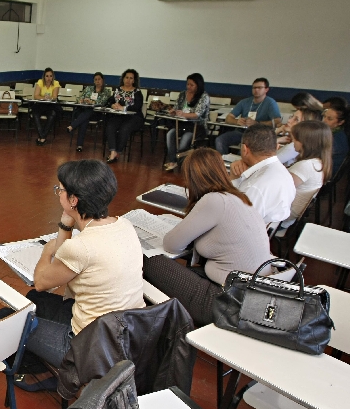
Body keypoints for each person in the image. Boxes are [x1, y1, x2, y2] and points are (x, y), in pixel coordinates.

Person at [26, 160, 145, 368]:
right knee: (35, 300)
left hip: (89, 348)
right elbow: (65, 254)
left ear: (73, 199)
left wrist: (46, 252)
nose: (57, 193)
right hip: (128, 333)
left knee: (9, 318)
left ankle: (59, 372)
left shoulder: (82, 246)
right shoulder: (124, 224)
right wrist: (66, 223)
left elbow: (42, 282)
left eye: (60, 189)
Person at [143, 148, 277, 326]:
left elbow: (171, 245)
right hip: (249, 292)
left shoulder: (214, 200)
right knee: (175, 271)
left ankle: (156, 326)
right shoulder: (239, 197)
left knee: (150, 261)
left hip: (225, 300)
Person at [229, 124, 296, 225]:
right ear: (277, 147)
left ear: (244, 149)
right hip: (265, 230)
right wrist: (235, 178)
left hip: (243, 234)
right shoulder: (282, 171)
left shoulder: (255, 187)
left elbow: (233, 221)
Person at [281, 121, 332, 228]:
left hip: (284, 216)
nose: (292, 141)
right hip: (291, 211)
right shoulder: (317, 162)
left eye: (295, 139)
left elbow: (278, 188)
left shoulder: (306, 166)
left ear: (305, 142)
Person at [215, 78, 281, 154]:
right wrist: (237, 121)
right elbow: (228, 118)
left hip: (259, 135)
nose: (256, 90)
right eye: (254, 88)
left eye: (259, 88)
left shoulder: (270, 103)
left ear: (266, 89)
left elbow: (277, 121)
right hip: (242, 132)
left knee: (244, 149)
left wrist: (257, 123)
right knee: (220, 140)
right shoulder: (244, 102)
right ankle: (222, 162)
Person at [163, 73, 210, 171]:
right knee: (170, 134)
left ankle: (182, 162)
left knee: (186, 138)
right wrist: (173, 112)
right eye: (188, 84)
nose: (189, 87)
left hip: (197, 126)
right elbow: (176, 108)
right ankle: (173, 160)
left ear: (198, 85)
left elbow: (197, 114)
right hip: (181, 124)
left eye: (192, 85)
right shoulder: (182, 94)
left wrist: (183, 114)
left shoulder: (204, 96)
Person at [104, 69, 144, 163]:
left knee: (124, 129)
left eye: (131, 78)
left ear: (134, 80)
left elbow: (137, 106)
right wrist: (112, 105)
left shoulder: (137, 92)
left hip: (134, 117)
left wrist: (123, 108)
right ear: (123, 78)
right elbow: (110, 101)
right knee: (110, 126)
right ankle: (113, 151)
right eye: (126, 77)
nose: (128, 80)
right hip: (119, 116)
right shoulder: (118, 89)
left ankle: (118, 152)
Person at [67, 72, 111, 152]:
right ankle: (79, 146)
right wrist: (82, 100)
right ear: (94, 81)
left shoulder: (106, 91)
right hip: (84, 111)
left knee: (88, 113)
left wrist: (92, 102)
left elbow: (103, 102)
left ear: (103, 80)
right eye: (95, 80)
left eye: (99, 79)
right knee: (85, 118)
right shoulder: (88, 88)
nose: (97, 81)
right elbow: (79, 98)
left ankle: (72, 126)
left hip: (97, 113)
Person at [276, 101, 323, 167]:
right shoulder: (298, 143)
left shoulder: (293, 147)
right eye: (292, 117)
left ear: (305, 127)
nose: (289, 120)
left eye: (296, 120)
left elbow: (264, 164)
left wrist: (275, 138)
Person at [31, 68, 60, 146]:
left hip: (51, 105)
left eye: (50, 76)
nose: (49, 78)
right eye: (47, 76)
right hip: (40, 104)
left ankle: (41, 138)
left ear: (53, 77)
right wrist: (44, 98)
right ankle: (43, 137)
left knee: (52, 115)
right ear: (44, 76)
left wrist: (48, 98)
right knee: (35, 115)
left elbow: (54, 97)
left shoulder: (56, 83)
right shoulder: (40, 82)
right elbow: (36, 96)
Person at [322, 97, 349, 177]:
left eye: (329, 119)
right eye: (324, 116)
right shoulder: (333, 133)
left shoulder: (337, 139)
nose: (324, 121)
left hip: (327, 176)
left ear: (340, 122)